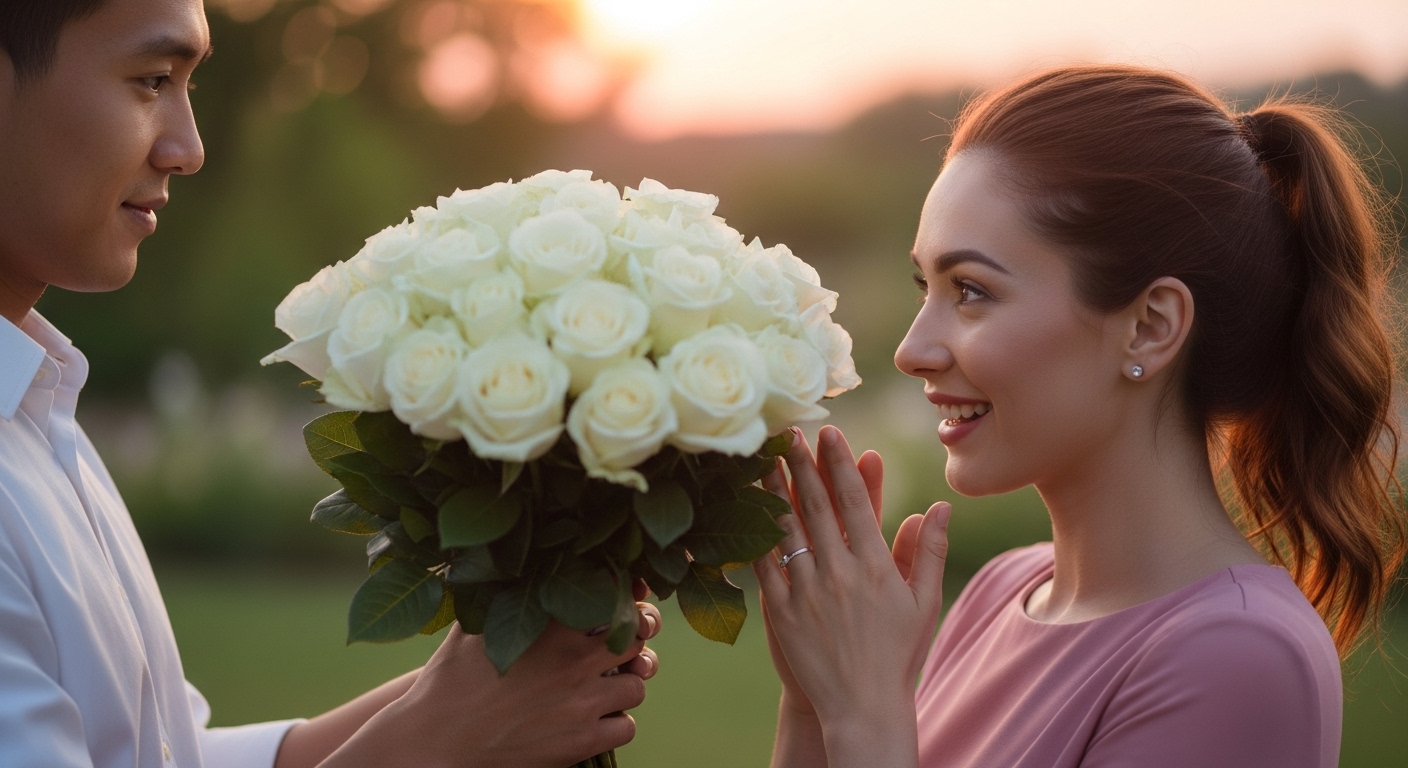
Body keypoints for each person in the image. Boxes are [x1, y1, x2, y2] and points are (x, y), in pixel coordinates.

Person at [0, 2, 660, 767]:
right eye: (151, 80)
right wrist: (436, 738)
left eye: (188, 86)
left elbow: (164, 755)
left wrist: (476, 694)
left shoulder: (40, 412)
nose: (189, 148)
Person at [753, 65, 1407, 768]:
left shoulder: (1238, 655)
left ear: (1150, 327)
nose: (912, 351)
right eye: (925, 286)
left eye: (971, 291)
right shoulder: (1001, 593)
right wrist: (815, 702)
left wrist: (864, 711)